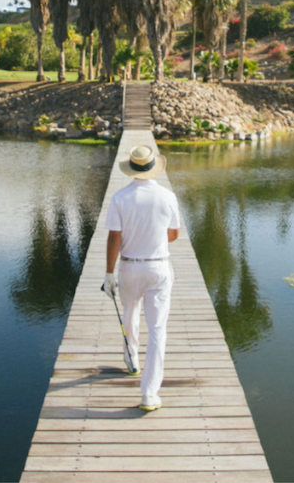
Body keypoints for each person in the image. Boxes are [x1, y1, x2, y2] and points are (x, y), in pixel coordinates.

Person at [103, 144, 180, 411]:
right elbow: (173, 235)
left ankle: (131, 359)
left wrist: (108, 273)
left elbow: (114, 236)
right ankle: (149, 393)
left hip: (129, 267)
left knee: (130, 312)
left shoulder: (120, 197)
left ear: (131, 169)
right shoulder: (168, 196)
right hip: (158, 268)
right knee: (158, 329)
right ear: (153, 167)